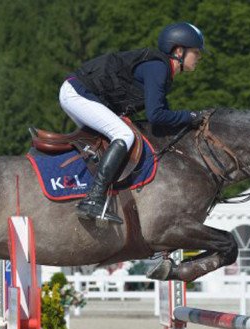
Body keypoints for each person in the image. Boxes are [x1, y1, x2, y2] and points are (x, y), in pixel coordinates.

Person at [60, 22, 207, 224]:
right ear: (179, 51)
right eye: (196, 52)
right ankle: (93, 199)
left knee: (111, 139)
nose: (199, 57)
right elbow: (157, 115)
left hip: (80, 93)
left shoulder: (162, 72)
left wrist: (189, 123)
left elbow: (160, 122)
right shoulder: (158, 68)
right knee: (124, 135)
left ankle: (84, 192)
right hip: (78, 93)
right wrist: (190, 116)